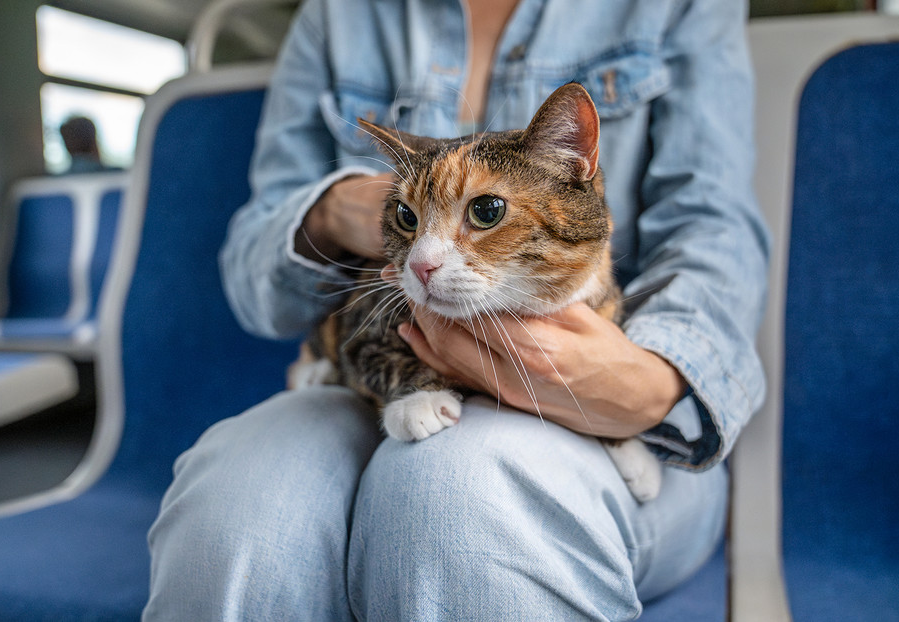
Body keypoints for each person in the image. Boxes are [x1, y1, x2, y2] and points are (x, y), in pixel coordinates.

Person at [144, 0, 769, 619]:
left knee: (458, 498)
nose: (427, 258)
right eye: (413, 225)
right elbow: (259, 289)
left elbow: (712, 229)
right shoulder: (335, 14)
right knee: (231, 510)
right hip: (377, 379)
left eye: (485, 214)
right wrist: (336, 209)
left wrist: (644, 389)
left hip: (631, 397)